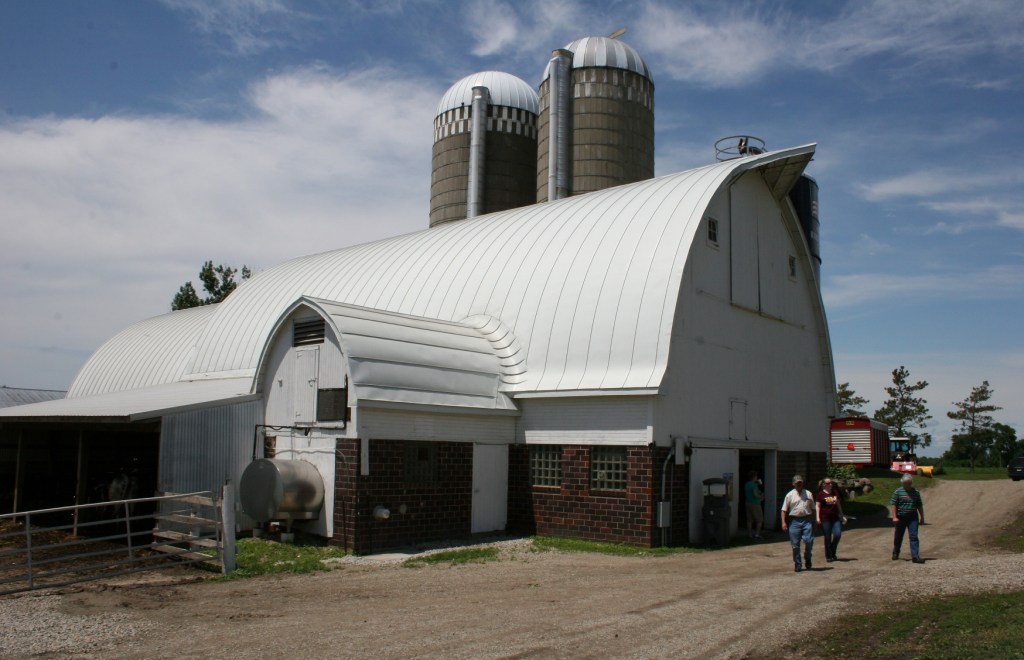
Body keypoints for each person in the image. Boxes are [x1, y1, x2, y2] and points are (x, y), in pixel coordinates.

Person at [781, 474, 815, 572]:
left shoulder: (808, 494)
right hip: (794, 521)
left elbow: (813, 508)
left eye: (800, 482)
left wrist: (815, 520)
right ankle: (798, 563)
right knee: (795, 545)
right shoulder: (789, 495)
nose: (799, 484)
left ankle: (807, 558)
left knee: (808, 541)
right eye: (797, 483)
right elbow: (784, 510)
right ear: (793, 484)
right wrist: (783, 522)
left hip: (806, 520)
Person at [890, 473, 925, 563]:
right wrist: (894, 517)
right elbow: (893, 504)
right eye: (905, 483)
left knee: (913, 536)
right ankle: (896, 552)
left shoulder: (916, 492)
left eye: (909, 483)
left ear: (911, 483)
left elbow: (919, 505)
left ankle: (915, 556)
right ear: (903, 483)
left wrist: (922, 517)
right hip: (901, 516)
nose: (907, 485)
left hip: (913, 517)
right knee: (898, 536)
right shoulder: (898, 492)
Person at [815, 478, 847, 562]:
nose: (830, 484)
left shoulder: (835, 493)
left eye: (831, 483)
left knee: (837, 535)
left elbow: (838, 505)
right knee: (827, 537)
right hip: (825, 519)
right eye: (828, 483)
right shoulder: (820, 494)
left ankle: (832, 550)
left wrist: (842, 515)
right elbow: (818, 506)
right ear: (824, 484)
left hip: (835, 518)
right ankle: (829, 555)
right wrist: (817, 517)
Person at [744, 471, 765, 540]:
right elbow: (755, 494)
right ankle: (757, 534)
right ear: (754, 477)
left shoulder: (747, 484)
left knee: (749, 520)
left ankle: (749, 534)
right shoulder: (753, 485)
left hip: (748, 503)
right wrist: (761, 497)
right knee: (759, 520)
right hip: (755, 503)